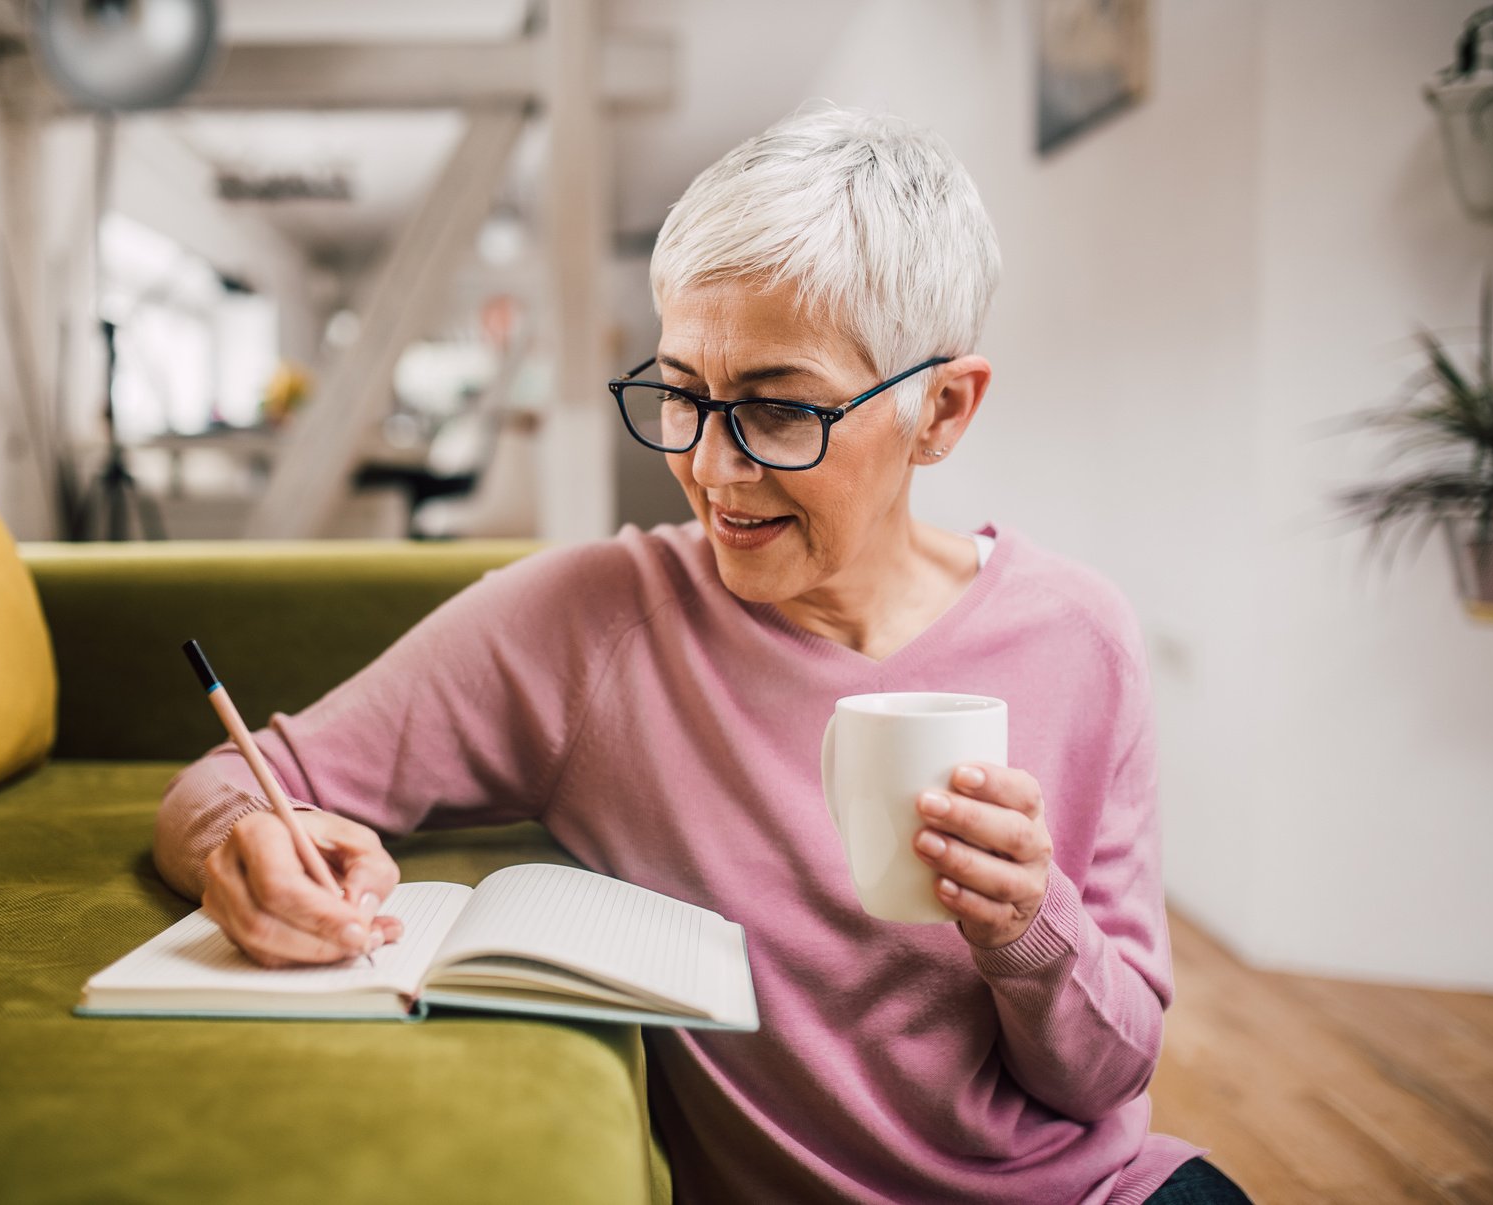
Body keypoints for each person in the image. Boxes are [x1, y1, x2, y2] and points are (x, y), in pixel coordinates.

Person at [153, 102, 1251, 1204]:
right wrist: (242, 845)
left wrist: (1026, 925)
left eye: (778, 412)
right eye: (681, 393)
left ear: (941, 411)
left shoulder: (1080, 637)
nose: (713, 467)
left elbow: (1106, 1073)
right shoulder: (586, 623)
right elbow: (234, 779)